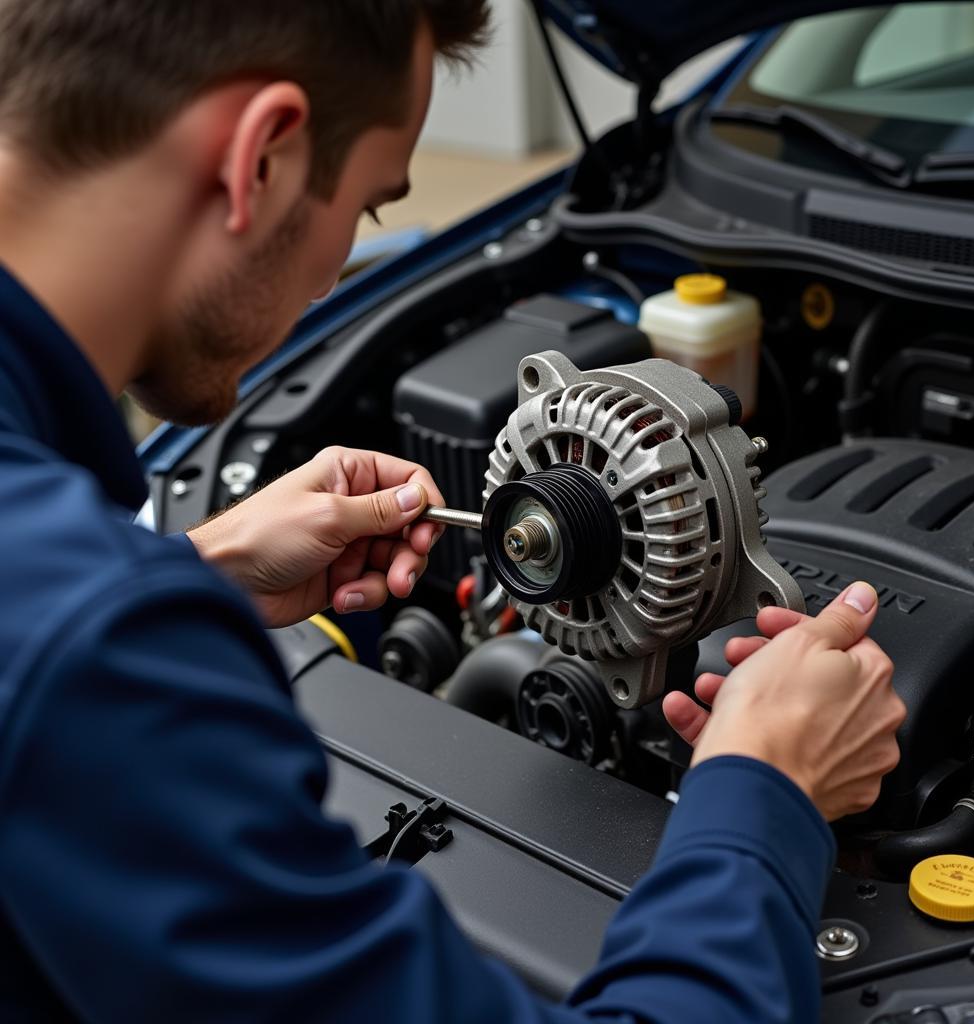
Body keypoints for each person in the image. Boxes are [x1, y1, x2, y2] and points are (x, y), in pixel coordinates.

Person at [0, 2, 905, 1021]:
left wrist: (193, 566)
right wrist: (763, 793)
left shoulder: (61, 592)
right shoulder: (93, 654)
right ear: (260, 156)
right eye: (372, 207)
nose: (338, 269)